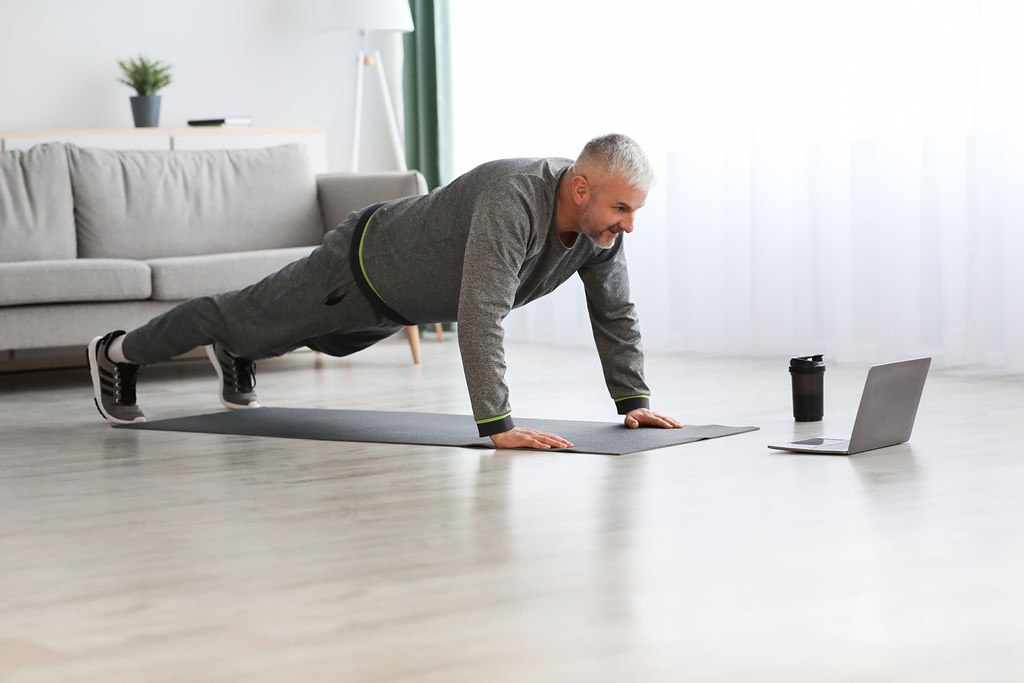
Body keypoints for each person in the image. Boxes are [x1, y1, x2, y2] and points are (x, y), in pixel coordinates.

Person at [88, 133, 683, 449]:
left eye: (636, 210)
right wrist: (496, 424)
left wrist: (633, 402)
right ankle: (118, 352)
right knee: (242, 317)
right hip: (359, 266)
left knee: (315, 340)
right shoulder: (514, 198)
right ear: (580, 187)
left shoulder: (600, 230)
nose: (628, 223)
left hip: (399, 301)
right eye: (622, 207)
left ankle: (240, 351)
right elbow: (482, 311)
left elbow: (615, 311)